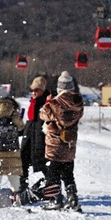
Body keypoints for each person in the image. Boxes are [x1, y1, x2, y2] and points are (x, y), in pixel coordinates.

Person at [39, 71, 84, 211]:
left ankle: (55, 199)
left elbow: (43, 114)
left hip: (55, 143)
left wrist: (48, 101)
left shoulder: (54, 103)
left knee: (53, 172)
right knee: (68, 172)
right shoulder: (78, 103)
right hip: (70, 143)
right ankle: (72, 198)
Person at [20, 76, 51, 192]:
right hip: (30, 135)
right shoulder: (34, 101)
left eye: (36, 90)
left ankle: (50, 186)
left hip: (40, 137)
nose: (33, 93)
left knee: (42, 162)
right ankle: (22, 186)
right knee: (23, 160)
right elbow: (31, 117)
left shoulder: (47, 102)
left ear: (42, 90)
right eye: (31, 90)